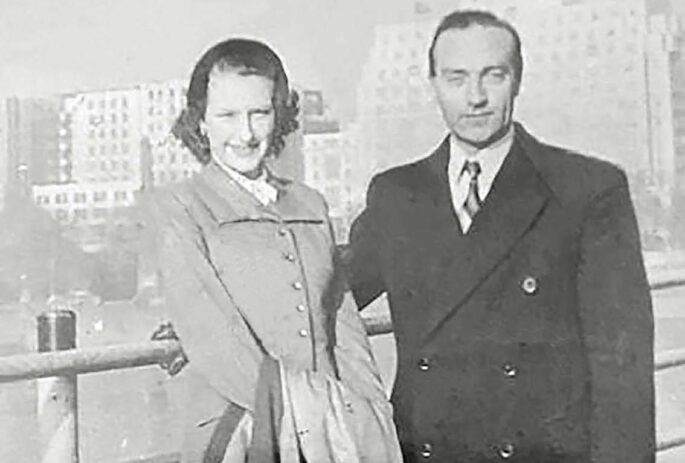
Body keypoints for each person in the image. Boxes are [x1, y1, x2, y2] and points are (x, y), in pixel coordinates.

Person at [347, 9, 655, 463]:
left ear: (517, 79)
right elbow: (322, 292)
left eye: (493, 76)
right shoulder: (396, 195)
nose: (475, 98)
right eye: (456, 78)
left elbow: (622, 370)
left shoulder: (585, 190)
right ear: (433, 84)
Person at [145, 38, 401, 463]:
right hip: (240, 433)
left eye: (259, 113)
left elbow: (344, 327)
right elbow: (214, 335)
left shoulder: (310, 203)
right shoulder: (178, 207)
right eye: (226, 116)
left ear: (278, 115)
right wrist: (309, 417)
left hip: (330, 435)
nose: (244, 134)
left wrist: (373, 419)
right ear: (201, 122)